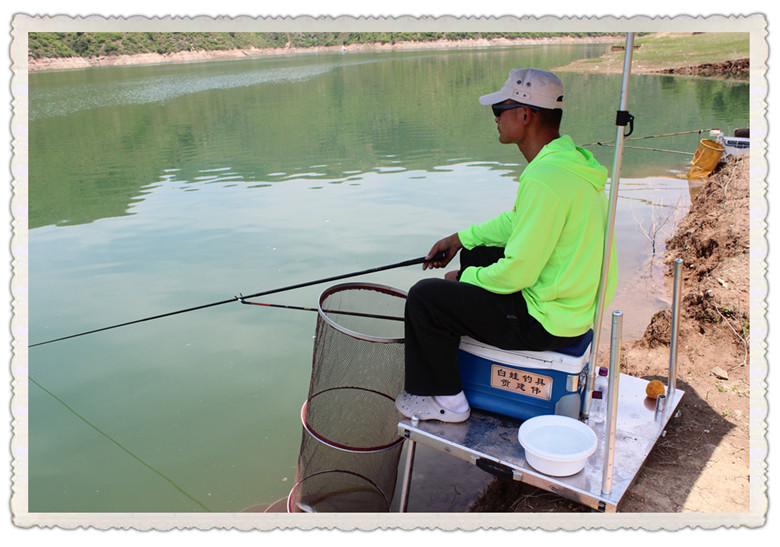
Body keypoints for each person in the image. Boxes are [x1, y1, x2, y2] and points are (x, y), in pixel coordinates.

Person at [395, 68, 618, 423]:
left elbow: (520, 271)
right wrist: (460, 240)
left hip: (546, 321)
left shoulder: (546, 179)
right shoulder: (571, 164)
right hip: (572, 307)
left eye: (500, 110)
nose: (496, 118)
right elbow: (519, 222)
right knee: (477, 253)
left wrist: (463, 279)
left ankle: (448, 404)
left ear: (526, 114)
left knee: (425, 298)